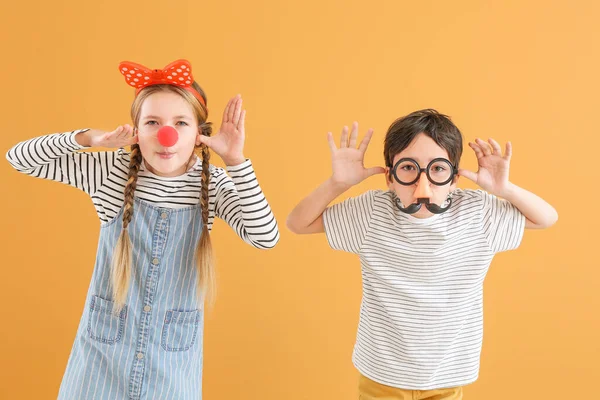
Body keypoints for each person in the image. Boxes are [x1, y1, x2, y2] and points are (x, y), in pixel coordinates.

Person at [6, 59, 279, 400]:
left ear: (199, 134)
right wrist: (91, 138)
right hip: (98, 366)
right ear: (136, 131)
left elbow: (265, 237)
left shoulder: (212, 184)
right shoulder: (112, 174)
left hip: (170, 371)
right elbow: (19, 158)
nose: (167, 135)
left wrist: (237, 161)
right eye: (153, 122)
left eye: (181, 122)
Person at [286, 109, 557, 399]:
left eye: (438, 169)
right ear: (389, 177)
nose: (422, 185)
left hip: (447, 376)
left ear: (455, 177)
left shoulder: (477, 214)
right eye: (408, 168)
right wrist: (337, 184)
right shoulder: (372, 213)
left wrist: (505, 190)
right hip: (381, 374)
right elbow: (297, 223)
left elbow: (546, 218)